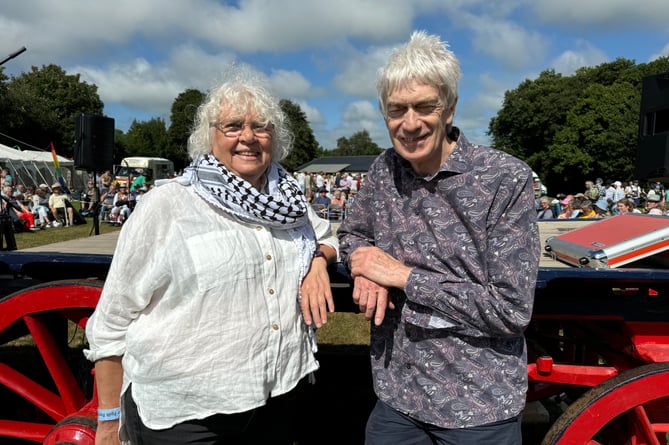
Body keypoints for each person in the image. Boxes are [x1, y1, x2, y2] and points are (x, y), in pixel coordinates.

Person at [84, 67, 338, 445]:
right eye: (233, 126)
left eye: (261, 126)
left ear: (275, 137)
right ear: (210, 136)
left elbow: (327, 235)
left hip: (278, 393)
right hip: (187, 414)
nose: (248, 137)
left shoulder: (290, 201)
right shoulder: (168, 205)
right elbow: (111, 322)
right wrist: (108, 421)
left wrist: (317, 259)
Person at [337, 31, 540, 445]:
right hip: (397, 396)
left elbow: (510, 309)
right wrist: (364, 264)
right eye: (396, 110)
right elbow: (352, 231)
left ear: (449, 108)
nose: (409, 123)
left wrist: (403, 276)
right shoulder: (384, 170)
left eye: (424, 106)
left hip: (478, 406)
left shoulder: (503, 178)